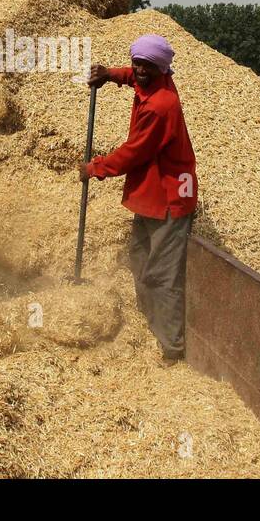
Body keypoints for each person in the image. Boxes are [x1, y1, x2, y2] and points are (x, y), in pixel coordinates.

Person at [82, 34, 197, 366]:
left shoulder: (161, 107)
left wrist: (95, 168)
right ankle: (149, 318)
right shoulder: (151, 82)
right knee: (138, 255)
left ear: (161, 69)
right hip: (150, 193)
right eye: (137, 63)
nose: (140, 71)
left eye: (148, 66)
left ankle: (171, 347)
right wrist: (111, 74)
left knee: (163, 274)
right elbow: (134, 76)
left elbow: (134, 153)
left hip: (169, 197)